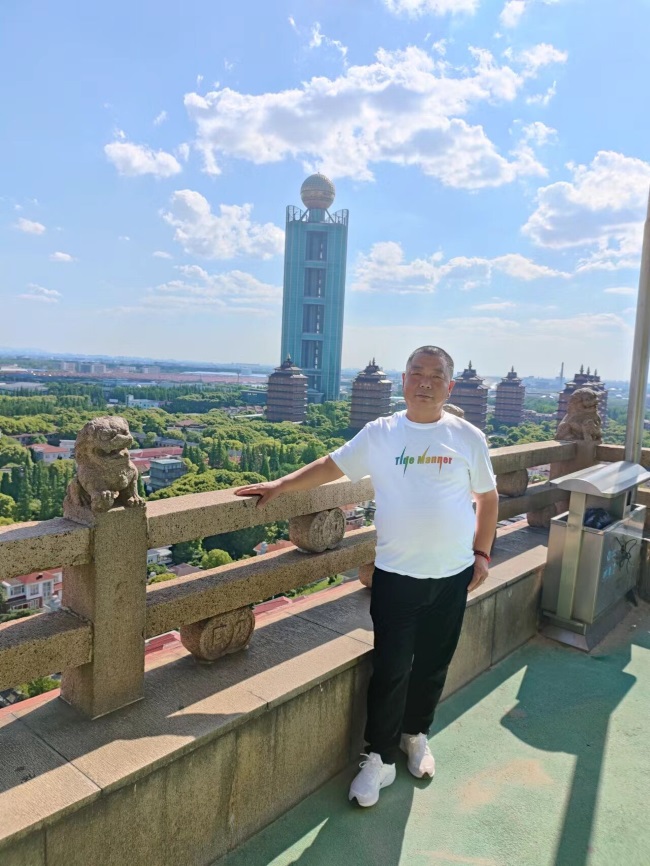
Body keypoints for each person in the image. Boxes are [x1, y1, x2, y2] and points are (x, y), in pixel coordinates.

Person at [235, 346, 498, 807]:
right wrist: (281, 485)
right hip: (396, 575)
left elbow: (488, 498)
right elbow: (330, 465)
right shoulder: (381, 433)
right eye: (416, 373)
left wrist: (481, 553)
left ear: (449, 386)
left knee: (433, 664)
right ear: (403, 380)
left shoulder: (467, 437)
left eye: (436, 376)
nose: (425, 382)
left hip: (453, 574)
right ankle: (379, 756)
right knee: (391, 668)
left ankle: (416, 734)